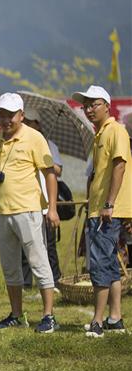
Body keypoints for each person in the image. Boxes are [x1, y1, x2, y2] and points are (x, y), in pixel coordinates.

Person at [0, 93, 60, 332]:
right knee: (10, 267)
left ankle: (49, 316)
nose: (6, 119)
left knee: (39, 262)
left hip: (29, 211)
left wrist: (51, 208)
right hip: (1, 213)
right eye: (2, 114)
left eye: (10, 115)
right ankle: (17, 314)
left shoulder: (35, 138)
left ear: (21, 115)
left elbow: (50, 174)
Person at [74, 85, 131, 337]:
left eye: (93, 104)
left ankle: (97, 322)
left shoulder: (115, 130)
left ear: (107, 105)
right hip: (101, 208)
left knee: (98, 266)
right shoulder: (100, 134)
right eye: (85, 105)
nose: (88, 109)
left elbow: (120, 165)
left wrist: (108, 203)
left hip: (107, 210)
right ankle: (115, 318)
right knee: (108, 265)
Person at [20, 108, 63, 285]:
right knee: (26, 244)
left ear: (37, 124)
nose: (26, 125)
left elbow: (58, 170)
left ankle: (55, 280)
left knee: (49, 245)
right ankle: (25, 282)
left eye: (30, 122)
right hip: (27, 202)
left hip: (46, 202)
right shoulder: (20, 143)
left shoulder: (50, 145)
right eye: (25, 122)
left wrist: (44, 160)